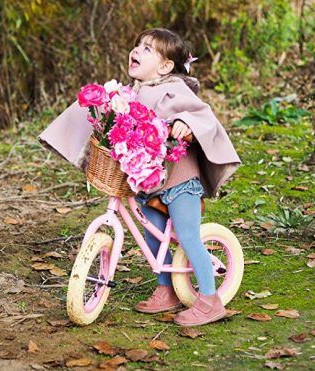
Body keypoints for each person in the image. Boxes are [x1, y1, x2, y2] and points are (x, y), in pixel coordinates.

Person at [39, 28, 241, 326]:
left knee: (187, 236)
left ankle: (210, 299)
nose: (136, 50)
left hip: (179, 180)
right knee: (151, 234)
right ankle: (166, 289)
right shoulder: (129, 92)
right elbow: (107, 114)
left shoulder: (174, 88)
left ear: (164, 66)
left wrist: (185, 122)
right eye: (137, 45)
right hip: (147, 179)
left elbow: (202, 114)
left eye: (147, 49)